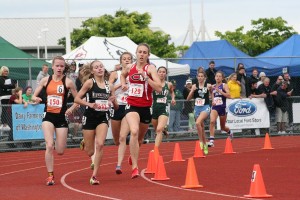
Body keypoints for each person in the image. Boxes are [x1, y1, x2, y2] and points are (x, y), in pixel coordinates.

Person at [32, 56, 78, 186]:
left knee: (60, 151)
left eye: (62, 66)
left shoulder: (68, 82)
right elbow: (34, 95)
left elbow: (78, 100)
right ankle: (50, 175)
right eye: (57, 65)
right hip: (48, 116)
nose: (59, 68)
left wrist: (72, 109)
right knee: (49, 145)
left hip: (61, 117)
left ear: (64, 68)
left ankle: (59, 144)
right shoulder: (45, 80)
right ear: (52, 66)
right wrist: (35, 98)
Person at [120, 43, 161, 179]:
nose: (142, 54)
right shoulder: (129, 67)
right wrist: (124, 84)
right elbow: (122, 75)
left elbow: (159, 88)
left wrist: (146, 78)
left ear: (148, 55)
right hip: (131, 104)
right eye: (140, 52)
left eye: (144, 52)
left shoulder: (151, 68)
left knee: (140, 139)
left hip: (146, 107)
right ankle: (135, 168)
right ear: (136, 54)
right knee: (134, 131)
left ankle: (133, 155)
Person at [74, 60, 118, 185]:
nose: (99, 69)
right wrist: (89, 104)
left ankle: (94, 176)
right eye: (96, 67)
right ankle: (85, 141)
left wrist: (113, 101)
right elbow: (77, 98)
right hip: (89, 116)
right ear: (92, 71)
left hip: (103, 117)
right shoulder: (89, 82)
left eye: (101, 66)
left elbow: (116, 108)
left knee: (100, 144)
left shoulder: (110, 86)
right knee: (90, 151)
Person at [108, 52, 133, 174]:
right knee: (117, 140)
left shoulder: (134, 73)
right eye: (124, 59)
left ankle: (118, 165)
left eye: (129, 59)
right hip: (117, 107)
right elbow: (109, 87)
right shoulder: (115, 73)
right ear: (121, 61)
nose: (127, 60)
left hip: (129, 107)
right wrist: (121, 84)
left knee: (123, 137)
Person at [186, 71, 211, 154]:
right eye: (199, 76)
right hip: (197, 108)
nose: (200, 77)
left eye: (202, 76)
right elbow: (188, 99)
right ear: (197, 77)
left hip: (205, 107)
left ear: (204, 77)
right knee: (202, 128)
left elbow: (213, 93)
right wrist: (192, 91)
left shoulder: (208, 85)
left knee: (197, 123)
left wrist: (213, 100)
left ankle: (200, 141)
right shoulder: (194, 86)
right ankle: (205, 144)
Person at [152, 66, 175, 148]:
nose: (161, 73)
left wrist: (173, 99)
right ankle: (164, 130)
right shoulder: (153, 84)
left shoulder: (169, 84)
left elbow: (172, 92)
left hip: (164, 108)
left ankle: (155, 150)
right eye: (160, 72)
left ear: (166, 74)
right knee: (157, 129)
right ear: (157, 73)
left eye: (163, 72)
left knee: (159, 130)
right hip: (154, 108)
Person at [208, 71, 232, 147]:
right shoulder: (213, 86)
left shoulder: (224, 85)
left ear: (222, 78)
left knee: (222, 127)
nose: (218, 77)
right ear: (215, 77)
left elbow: (229, 95)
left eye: (219, 76)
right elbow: (212, 96)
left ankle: (230, 132)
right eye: (216, 76)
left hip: (222, 107)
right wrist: (212, 101)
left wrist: (220, 91)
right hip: (215, 107)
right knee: (212, 121)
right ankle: (211, 141)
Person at [0, 66, 16, 131]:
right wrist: (9, 86)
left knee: (9, 110)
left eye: (7, 71)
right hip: (3, 97)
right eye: (4, 71)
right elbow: (3, 86)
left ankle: (9, 123)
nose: (6, 72)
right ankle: (4, 124)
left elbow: (13, 86)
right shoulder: (0, 78)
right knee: (4, 109)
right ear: (2, 71)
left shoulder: (9, 78)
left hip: (10, 96)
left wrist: (7, 87)